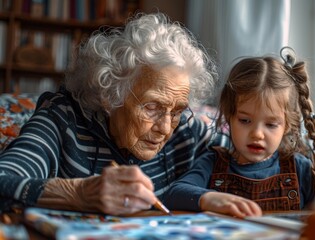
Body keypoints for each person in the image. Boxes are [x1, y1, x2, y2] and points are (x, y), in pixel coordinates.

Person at [0, 12, 228, 215]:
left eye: (177, 111)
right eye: (152, 107)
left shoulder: (186, 130)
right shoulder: (62, 120)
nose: (166, 128)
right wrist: (80, 193)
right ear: (111, 96)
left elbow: (248, 150)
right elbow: (4, 180)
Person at [164, 47, 315, 218]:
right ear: (229, 117)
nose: (257, 134)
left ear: (286, 126)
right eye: (245, 121)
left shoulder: (300, 168)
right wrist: (209, 198)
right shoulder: (212, 163)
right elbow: (174, 194)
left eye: (270, 124)